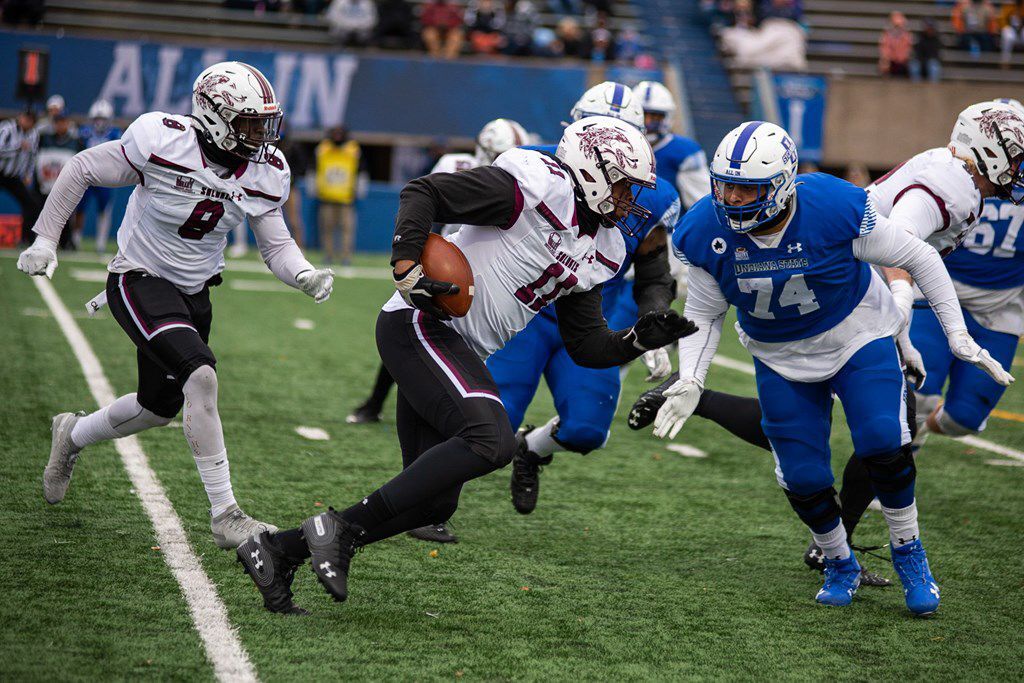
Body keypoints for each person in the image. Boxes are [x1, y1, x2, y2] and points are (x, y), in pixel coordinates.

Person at [236, 116, 699, 614]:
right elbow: (424, 192)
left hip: (458, 348)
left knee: (434, 504)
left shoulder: (603, 247)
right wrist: (406, 264)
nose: (631, 201)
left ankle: (279, 551)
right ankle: (339, 531)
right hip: (421, 323)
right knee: (492, 439)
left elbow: (586, 345)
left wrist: (634, 339)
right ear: (592, 168)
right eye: (626, 186)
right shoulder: (537, 185)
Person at [632, 107, 1022, 605]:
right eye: (725, 185)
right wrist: (691, 378)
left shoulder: (832, 205)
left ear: (780, 184)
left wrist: (954, 335)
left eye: (746, 188)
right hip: (779, 353)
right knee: (803, 474)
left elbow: (915, 255)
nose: (731, 198)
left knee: (884, 438)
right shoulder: (703, 229)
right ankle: (839, 562)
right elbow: (705, 315)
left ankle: (909, 551)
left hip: (856, 332)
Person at [16, 61, 335, 550]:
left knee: (155, 409)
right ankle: (226, 514)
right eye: (248, 122)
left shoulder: (268, 172)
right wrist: (45, 239)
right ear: (213, 115)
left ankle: (72, 434)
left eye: (262, 122)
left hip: (194, 291)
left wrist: (304, 274)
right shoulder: (161, 140)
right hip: (138, 278)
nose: (259, 134)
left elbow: (275, 244)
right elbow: (81, 168)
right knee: (201, 375)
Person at [488, 82, 681, 516]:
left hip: (593, 322)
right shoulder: (533, 164)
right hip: (524, 313)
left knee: (587, 432)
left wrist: (654, 319)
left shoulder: (654, 196)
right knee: (488, 430)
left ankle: (532, 450)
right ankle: (431, 502)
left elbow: (653, 273)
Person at [347, 117, 529, 544]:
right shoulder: (460, 166)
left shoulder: (520, 185)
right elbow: (427, 205)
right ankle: (397, 484)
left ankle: (417, 499)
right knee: (420, 357)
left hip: (473, 286)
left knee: (443, 394)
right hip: (434, 272)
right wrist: (413, 262)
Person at [633, 81, 709, 211]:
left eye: (655, 116)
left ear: (667, 117)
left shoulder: (683, 151)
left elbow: (701, 204)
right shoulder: (621, 147)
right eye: (642, 115)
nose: (647, 122)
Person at [76, 100, 122, 253]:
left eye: (103, 119)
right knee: (80, 208)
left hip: (105, 178)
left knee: (104, 210)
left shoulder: (115, 134)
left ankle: (100, 242)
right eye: (97, 119)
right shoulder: (84, 132)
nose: (100, 122)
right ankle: (76, 238)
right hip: (87, 177)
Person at [315, 126, 361, 265]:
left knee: (347, 230)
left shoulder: (353, 150)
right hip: (327, 197)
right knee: (327, 228)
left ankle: (346, 256)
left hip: (346, 198)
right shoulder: (323, 149)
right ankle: (328, 255)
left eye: (340, 134)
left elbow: (360, 171)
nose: (337, 136)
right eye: (335, 134)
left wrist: (357, 192)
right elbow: (315, 168)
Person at [34, 114, 82, 249]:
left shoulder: (75, 141)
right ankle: (35, 239)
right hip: (46, 181)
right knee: (40, 210)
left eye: (63, 122)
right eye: (58, 122)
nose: (61, 125)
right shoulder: (44, 139)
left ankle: (65, 242)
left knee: (65, 214)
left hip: (64, 184)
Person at [0, 109, 41, 244]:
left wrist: (28, 174)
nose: (26, 122)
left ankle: (26, 239)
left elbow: (32, 156)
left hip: (14, 176)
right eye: (25, 118)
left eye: (30, 120)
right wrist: (17, 148)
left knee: (32, 204)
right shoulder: (7, 128)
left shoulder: (34, 134)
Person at [879, 11, 913, 77]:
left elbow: (908, 48)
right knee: (884, 64)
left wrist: (902, 58)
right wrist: (887, 58)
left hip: (902, 60)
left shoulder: (907, 34)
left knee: (910, 65)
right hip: (891, 60)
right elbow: (884, 48)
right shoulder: (887, 34)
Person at [1000, 0, 1024, 67]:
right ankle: (1005, 62)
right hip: (1011, 28)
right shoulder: (1008, 5)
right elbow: (1003, 20)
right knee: (1008, 36)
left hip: (1022, 29)